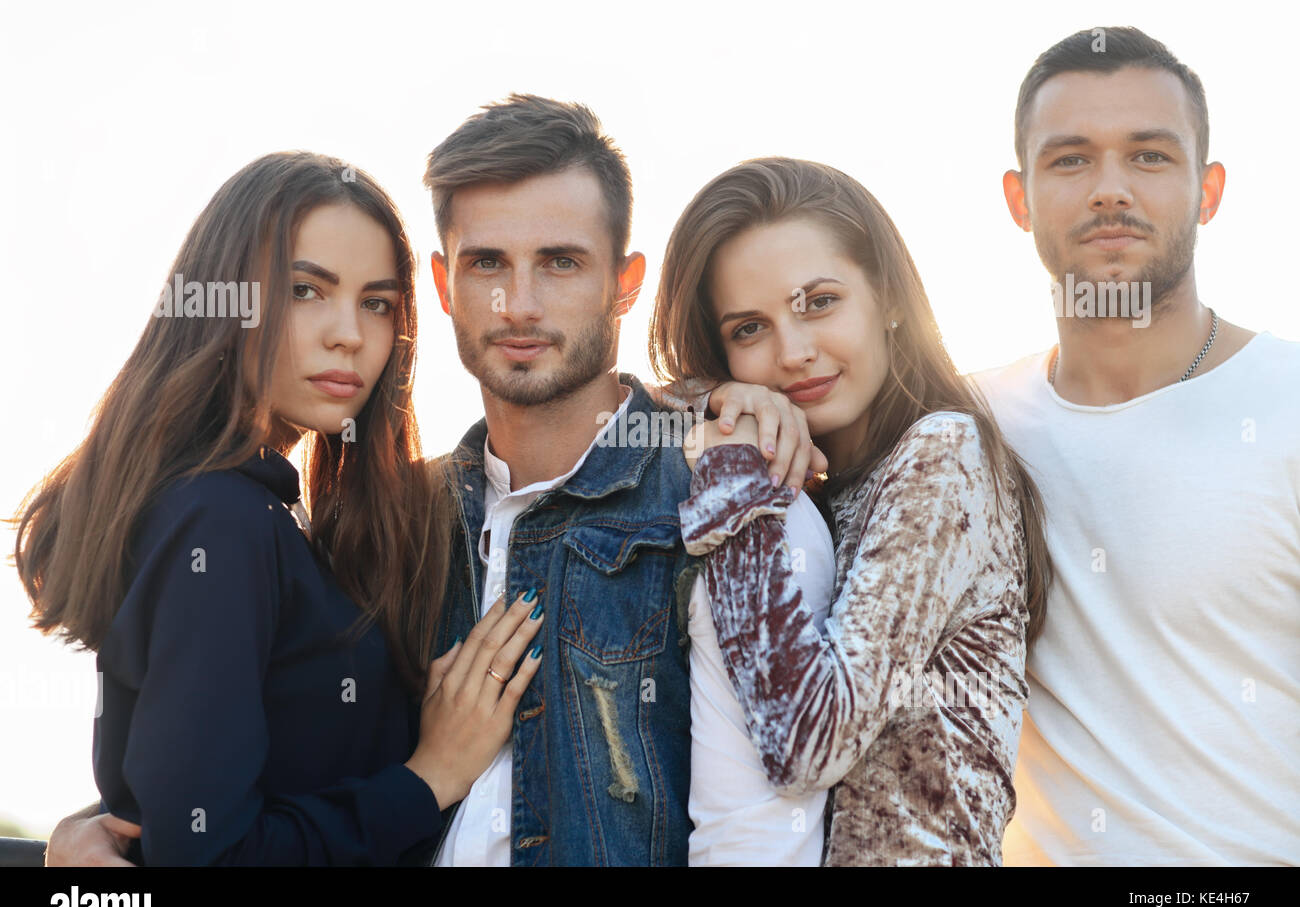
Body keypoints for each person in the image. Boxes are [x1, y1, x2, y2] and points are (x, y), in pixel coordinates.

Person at [17, 151, 542, 865]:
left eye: (378, 303)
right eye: (305, 290)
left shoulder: (254, 508)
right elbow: (214, 854)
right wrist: (429, 778)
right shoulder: (221, 520)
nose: (349, 334)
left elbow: (191, 790)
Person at [418, 95, 820, 867]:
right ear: (444, 284)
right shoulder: (396, 521)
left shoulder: (722, 493)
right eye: (487, 263)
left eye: (561, 262)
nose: (520, 304)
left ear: (625, 283)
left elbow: (759, 842)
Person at [649, 156, 1053, 865]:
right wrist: (713, 402)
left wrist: (735, 464)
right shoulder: (822, 480)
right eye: (750, 329)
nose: (794, 352)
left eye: (820, 301)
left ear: (888, 296)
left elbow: (808, 742)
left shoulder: (942, 453)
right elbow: (631, 409)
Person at [974, 27, 1300, 865]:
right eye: (1071, 160)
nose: (1110, 190)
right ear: (1019, 198)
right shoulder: (967, 427)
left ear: (1208, 189)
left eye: (1150, 157)